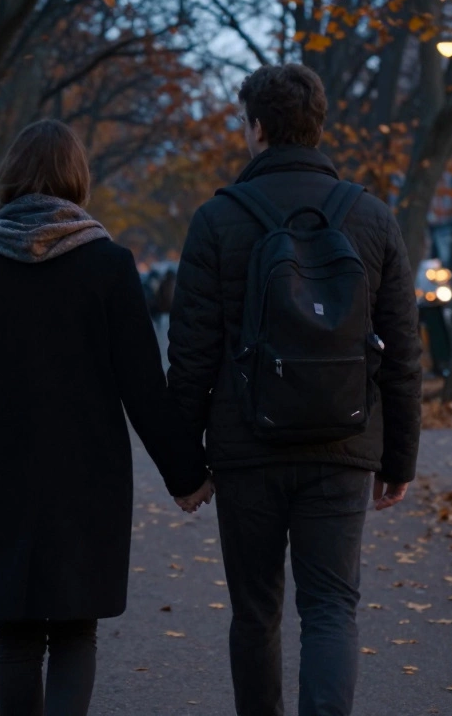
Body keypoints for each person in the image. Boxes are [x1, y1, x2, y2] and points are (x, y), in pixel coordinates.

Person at [0, 119, 214, 716]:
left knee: (16, 637)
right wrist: (187, 474)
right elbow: (143, 384)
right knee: (75, 631)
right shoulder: (109, 266)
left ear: (10, 176)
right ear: (76, 179)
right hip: (86, 475)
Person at [167, 63, 423, 716]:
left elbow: (191, 356)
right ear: (319, 126)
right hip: (344, 438)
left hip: (247, 447)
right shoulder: (370, 216)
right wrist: (398, 460)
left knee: (255, 613)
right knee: (332, 608)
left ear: (256, 129)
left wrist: (184, 468)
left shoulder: (217, 221)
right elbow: (403, 350)